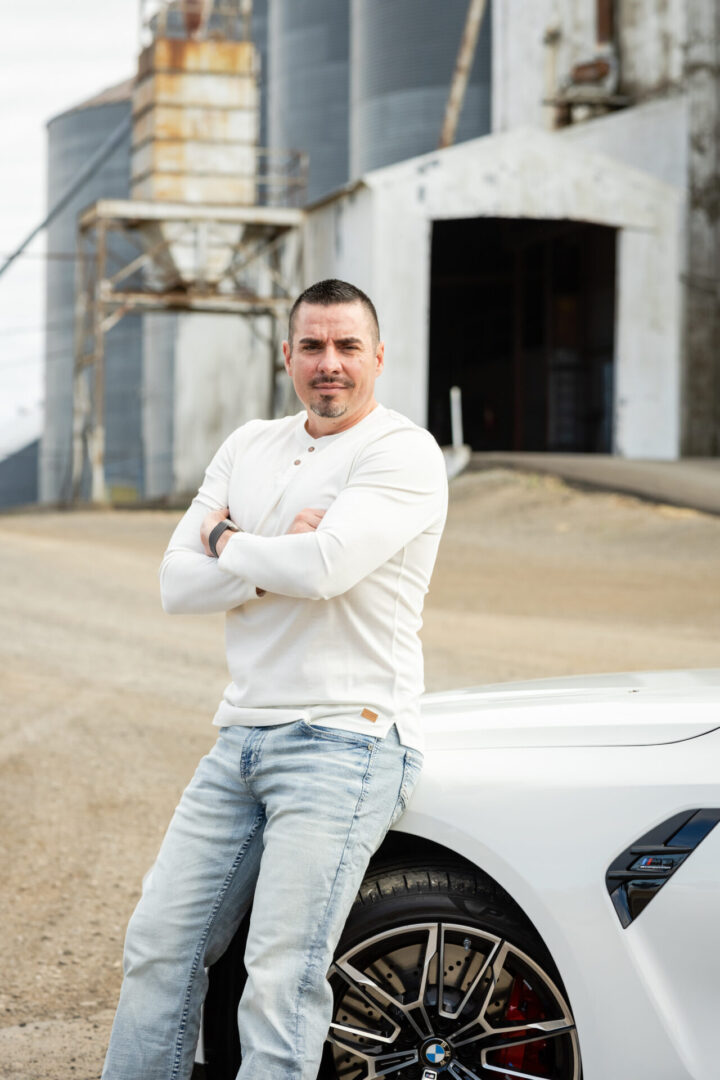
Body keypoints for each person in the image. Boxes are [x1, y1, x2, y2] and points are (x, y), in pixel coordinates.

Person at [101, 278, 448, 1080]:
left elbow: (326, 567)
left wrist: (224, 539)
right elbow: (173, 583)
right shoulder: (249, 444)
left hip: (348, 738)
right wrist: (261, 555)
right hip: (241, 737)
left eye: (348, 347)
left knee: (281, 980)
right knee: (159, 946)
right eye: (314, 346)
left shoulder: (401, 451)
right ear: (285, 354)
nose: (331, 364)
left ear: (378, 357)